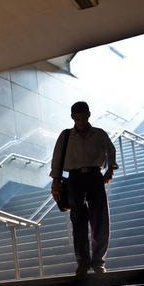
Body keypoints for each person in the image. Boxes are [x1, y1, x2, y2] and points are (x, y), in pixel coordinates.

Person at [50, 101, 118, 276]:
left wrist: (110, 170)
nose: (80, 119)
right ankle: (82, 262)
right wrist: (56, 182)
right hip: (74, 179)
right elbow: (57, 159)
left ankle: (98, 263)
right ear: (72, 117)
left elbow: (111, 151)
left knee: (100, 220)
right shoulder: (66, 136)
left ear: (88, 114)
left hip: (95, 177)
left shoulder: (99, 134)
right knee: (78, 221)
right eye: (76, 117)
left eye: (83, 116)